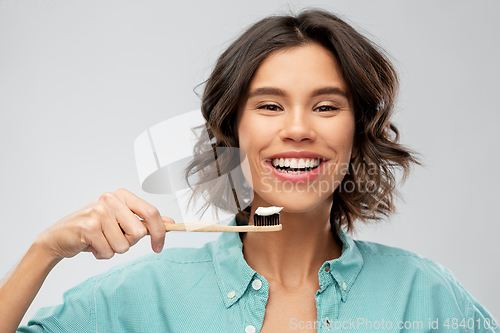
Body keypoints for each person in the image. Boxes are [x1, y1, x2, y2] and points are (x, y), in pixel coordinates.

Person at [1, 8, 497, 333]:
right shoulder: (138, 301)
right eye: (269, 106)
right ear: (232, 131)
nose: (298, 129)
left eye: (326, 106)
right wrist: (44, 250)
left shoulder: (424, 297)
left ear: (357, 130)